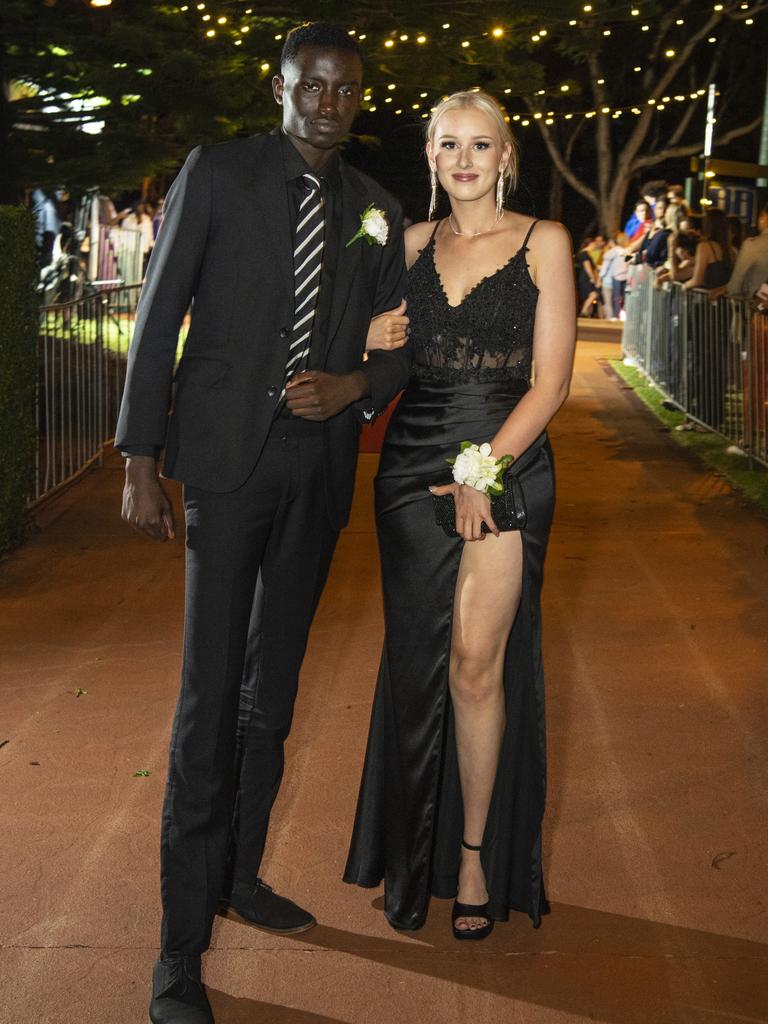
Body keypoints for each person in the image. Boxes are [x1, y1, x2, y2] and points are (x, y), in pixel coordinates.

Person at [115, 23, 411, 1024]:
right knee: (207, 709)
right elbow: (160, 311)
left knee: (269, 697)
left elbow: (402, 345)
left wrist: (358, 383)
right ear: (279, 86)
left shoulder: (377, 210)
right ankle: (177, 954)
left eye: (345, 88)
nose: (328, 101)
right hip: (223, 471)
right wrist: (138, 458)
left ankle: (240, 875)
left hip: (316, 475)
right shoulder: (222, 173)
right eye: (311, 84)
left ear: (361, 97)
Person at [344, 90, 576, 939]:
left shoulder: (544, 242)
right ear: (433, 157)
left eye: (482, 145)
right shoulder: (404, 246)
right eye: (450, 145)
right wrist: (364, 334)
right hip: (410, 469)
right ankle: (409, 855)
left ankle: (475, 856)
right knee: (417, 666)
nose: (466, 159)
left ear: (506, 156)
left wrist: (485, 469)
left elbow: (551, 383)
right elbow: (352, 351)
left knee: (477, 665)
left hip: (508, 463)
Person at [683, 207, 736, 292]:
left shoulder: (705, 247)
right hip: (724, 302)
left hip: (707, 300)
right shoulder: (731, 249)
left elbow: (697, 280)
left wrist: (685, 286)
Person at [727, 201, 768, 299]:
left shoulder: (752, 245)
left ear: (764, 218)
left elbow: (736, 283)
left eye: (761, 216)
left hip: (756, 306)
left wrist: (731, 294)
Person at [576, 237, 600, 315]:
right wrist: (592, 278)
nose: (595, 247)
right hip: (586, 278)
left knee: (589, 296)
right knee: (594, 294)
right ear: (591, 244)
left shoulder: (584, 253)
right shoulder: (584, 254)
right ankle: (584, 311)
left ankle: (587, 312)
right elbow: (587, 267)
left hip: (585, 277)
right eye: (594, 245)